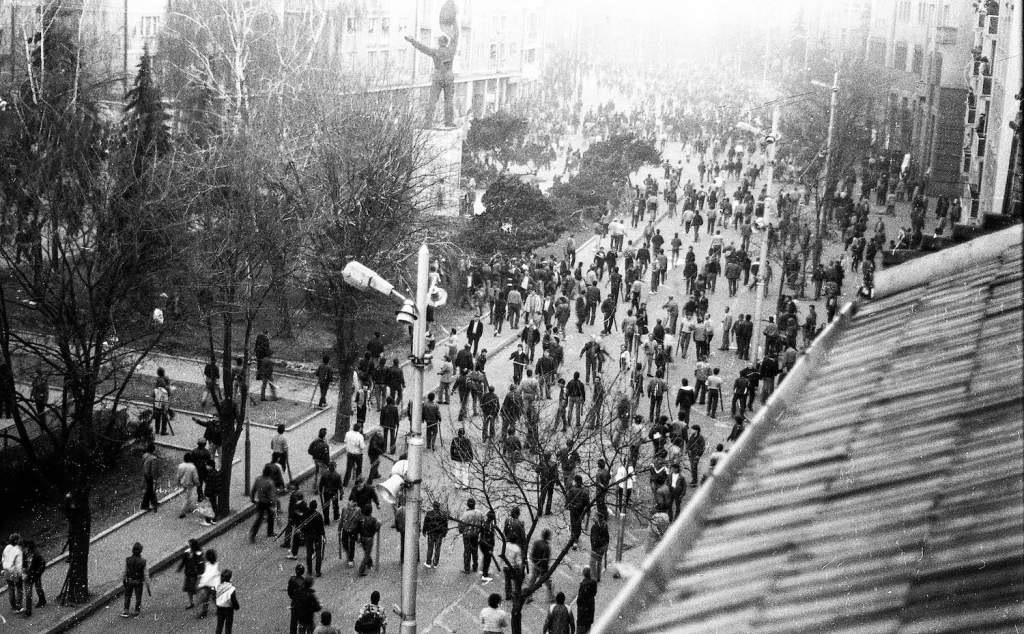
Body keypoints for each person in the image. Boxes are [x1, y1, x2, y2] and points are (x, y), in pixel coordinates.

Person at [404, 24, 459, 128]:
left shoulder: (435, 51)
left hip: (438, 76)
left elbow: (423, 48)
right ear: (446, 43)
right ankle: (448, 122)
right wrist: (455, 25)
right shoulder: (451, 51)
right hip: (448, 76)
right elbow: (455, 39)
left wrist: (412, 41)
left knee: (432, 100)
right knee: (449, 101)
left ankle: (428, 122)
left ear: (439, 43)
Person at [249, 463, 277, 542]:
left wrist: (252, 498)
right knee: (271, 516)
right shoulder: (270, 482)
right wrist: (273, 504)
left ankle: (253, 534)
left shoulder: (258, 479)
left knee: (259, 518)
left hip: (260, 502)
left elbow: (253, 489)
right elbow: (271, 495)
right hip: (268, 503)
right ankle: (270, 532)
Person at [120, 542, 148, 618]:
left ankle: (126, 611)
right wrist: (148, 585)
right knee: (138, 597)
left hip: (129, 581)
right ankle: (136, 611)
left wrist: (123, 580)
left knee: (127, 596)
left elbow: (125, 571)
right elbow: (145, 574)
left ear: (132, 550)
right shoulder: (143, 561)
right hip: (138, 582)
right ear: (141, 551)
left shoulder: (128, 560)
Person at [529, 529, 555, 604]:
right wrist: (545, 570)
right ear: (548, 536)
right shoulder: (547, 547)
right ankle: (551, 598)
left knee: (532, 581)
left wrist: (534, 562)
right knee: (548, 584)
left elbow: (532, 554)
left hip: (535, 565)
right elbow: (546, 560)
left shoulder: (536, 542)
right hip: (543, 569)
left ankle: (529, 596)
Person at [459, 498, 484, 573]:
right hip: (475, 535)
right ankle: (475, 567)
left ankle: (467, 569)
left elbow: (461, 525)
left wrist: (461, 531)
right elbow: (482, 524)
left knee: (467, 551)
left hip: (467, 535)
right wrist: (479, 531)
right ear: (474, 504)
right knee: (475, 551)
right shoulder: (479, 513)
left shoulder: (465, 514)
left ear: (467, 504)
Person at [177, 539, 204, 609]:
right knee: (189, 589)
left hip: (195, 575)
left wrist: (200, 573)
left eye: (189, 544)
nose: (187, 545)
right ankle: (191, 602)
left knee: (196, 589)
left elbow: (201, 564)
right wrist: (180, 568)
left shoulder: (198, 553)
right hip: (188, 574)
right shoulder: (187, 553)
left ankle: (203, 601)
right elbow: (183, 561)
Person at [302, 500, 326, 577]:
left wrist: (304, 533)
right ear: (316, 507)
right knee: (318, 553)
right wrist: (324, 536)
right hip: (317, 536)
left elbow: (303, 526)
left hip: (308, 536)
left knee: (309, 553)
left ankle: (309, 571)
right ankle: (318, 571)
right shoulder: (318, 515)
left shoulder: (306, 515)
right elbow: (321, 527)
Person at [21, 540, 44, 616]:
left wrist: (37, 573)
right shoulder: (25, 553)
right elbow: (24, 563)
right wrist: (24, 571)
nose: (23, 549)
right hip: (28, 575)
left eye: (24, 547)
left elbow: (42, 565)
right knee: (30, 592)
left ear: (28, 547)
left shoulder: (36, 554)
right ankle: (29, 610)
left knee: (37, 588)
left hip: (34, 575)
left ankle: (41, 601)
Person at [357, 504, 381, 576]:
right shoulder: (373, 520)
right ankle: (361, 569)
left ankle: (370, 563)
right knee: (367, 554)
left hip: (362, 538)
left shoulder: (361, 519)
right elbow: (375, 529)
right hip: (369, 539)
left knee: (366, 551)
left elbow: (358, 528)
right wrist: (379, 525)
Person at [214, 568, 240, 634]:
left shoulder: (217, 586)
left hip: (220, 609)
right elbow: (233, 600)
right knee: (228, 627)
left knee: (219, 626)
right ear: (229, 578)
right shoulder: (231, 588)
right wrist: (236, 607)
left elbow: (214, 596)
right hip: (228, 610)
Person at [196, 549, 221, 618]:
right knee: (214, 598)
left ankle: (204, 613)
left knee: (206, 599)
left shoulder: (208, 566)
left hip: (209, 585)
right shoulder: (215, 563)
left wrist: (200, 584)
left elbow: (207, 577)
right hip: (214, 585)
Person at [3, 534, 24, 612]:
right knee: (19, 588)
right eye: (18, 539)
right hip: (14, 571)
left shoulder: (6, 548)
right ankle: (19, 606)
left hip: (7, 571)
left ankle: (14, 607)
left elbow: (3, 559)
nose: (20, 540)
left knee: (11, 589)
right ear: (15, 541)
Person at [177, 452, 200, 520]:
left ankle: (189, 508)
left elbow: (178, 476)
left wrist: (178, 482)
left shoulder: (181, 466)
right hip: (190, 484)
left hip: (183, 483)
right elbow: (195, 477)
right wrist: (197, 483)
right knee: (188, 497)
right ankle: (182, 512)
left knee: (187, 496)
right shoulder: (192, 467)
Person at [588, 513, 609, 582]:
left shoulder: (595, 526)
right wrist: (605, 546)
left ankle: (593, 579)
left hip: (596, 547)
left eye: (595, 517)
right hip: (602, 547)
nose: (593, 518)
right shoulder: (604, 525)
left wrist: (594, 546)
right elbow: (607, 537)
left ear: (598, 518)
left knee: (592, 563)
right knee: (599, 562)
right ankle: (598, 577)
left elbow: (595, 537)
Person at [308, 427, 331, 492]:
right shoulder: (325, 445)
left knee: (317, 472)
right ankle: (318, 489)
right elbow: (326, 456)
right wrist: (328, 464)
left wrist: (315, 455)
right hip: (322, 461)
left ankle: (315, 485)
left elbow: (309, 451)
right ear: (324, 436)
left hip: (316, 460)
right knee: (322, 474)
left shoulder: (314, 441)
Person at [575, 567, 597, 633]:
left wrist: (579, 604)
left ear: (583, 573)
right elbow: (594, 593)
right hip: (590, 606)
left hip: (583, 609)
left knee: (581, 627)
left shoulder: (583, 584)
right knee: (588, 626)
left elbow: (579, 599)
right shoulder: (594, 582)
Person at [141, 442, 159, 512]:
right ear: (153, 450)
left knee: (150, 489)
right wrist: (155, 477)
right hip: (150, 476)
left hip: (145, 474)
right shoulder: (153, 458)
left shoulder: (145, 455)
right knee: (149, 490)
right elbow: (153, 469)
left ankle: (154, 502)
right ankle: (145, 505)